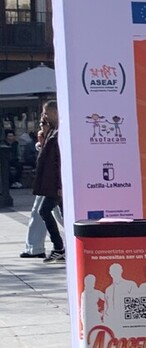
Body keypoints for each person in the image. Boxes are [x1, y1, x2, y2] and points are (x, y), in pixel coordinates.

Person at [33, 101, 64, 263]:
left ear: (54, 112)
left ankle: (59, 247)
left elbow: (60, 161)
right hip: (52, 183)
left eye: (46, 112)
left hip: (56, 184)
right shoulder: (53, 131)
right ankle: (62, 248)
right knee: (64, 215)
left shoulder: (61, 132)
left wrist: (60, 185)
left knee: (44, 211)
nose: (43, 116)